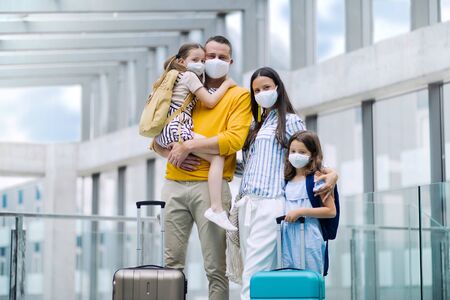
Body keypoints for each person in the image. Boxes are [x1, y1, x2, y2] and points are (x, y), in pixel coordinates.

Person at [153, 35, 252, 300]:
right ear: (200, 58)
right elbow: (156, 136)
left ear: (231, 61)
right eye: (210, 56)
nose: (215, 61)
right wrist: (169, 150)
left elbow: (233, 140)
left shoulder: (239, 96)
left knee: (215, 268)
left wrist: (188, 147)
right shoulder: (185, 88)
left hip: (211, 187)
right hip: (173, 183)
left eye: (222, 57)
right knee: (171, 264)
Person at [235, 67, 338, 300]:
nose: (262, 93)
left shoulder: (290, 121)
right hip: (247, 204)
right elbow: (251, 166)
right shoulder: (255, 126)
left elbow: (310, 154)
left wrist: (332, 174)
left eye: (266, 87)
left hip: (271, 202)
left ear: (278, 88)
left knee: (253, 272)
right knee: (258, 270)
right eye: (257, 90)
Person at [153, 42, 237, 231]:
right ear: (182, 61)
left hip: (164, 133)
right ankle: (216, 208)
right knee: (217, 157)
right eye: (195, 60)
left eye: (202, 60)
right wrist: (227, 84)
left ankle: (171, 211)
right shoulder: (189, 76)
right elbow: (210, 101)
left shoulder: (170, 76)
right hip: (177, 130)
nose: (200, 64)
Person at [282, 130, 336, 274]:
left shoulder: (317, 178)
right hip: (288, 236)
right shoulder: (286, 179)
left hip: (309, 235)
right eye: (292, 151)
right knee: (291, 282)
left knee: (311, 280)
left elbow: (331, 211)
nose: (296, 155)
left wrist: (301, 211)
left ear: (312, 154)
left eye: (302, 152)